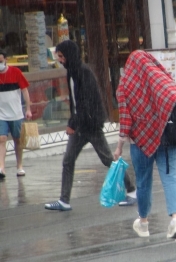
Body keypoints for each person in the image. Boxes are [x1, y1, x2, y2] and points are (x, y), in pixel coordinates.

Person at [44, 40, 135, 211]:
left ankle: (131, 190)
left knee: (108, 159)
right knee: (68, 161)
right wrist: (74, 122)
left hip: (91, 125)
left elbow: (85, 102)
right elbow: (76, 103)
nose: (60, 60)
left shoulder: (83, 73)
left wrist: (73, 123)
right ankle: (64, 200)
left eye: (62, 56)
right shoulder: (71, 72)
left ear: (69, 55)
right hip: (80, 126)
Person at [113, 50, 176, 239]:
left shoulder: (125, 86)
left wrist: (119, 147)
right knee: (171, 176)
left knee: (143, 182)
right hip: (167, 136)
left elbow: (126, 121)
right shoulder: (162, 77)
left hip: (141, 141)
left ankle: (144, 222)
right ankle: (175, 221)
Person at [0, 49, 32, 179]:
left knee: (17, 140)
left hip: (16, 113)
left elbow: (25, 91)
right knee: (1, 139)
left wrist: (28, 109)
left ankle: (19, 165)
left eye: (0, 61)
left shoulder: (16, 72)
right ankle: (1, 167)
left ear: (6, 59)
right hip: (1, 115)